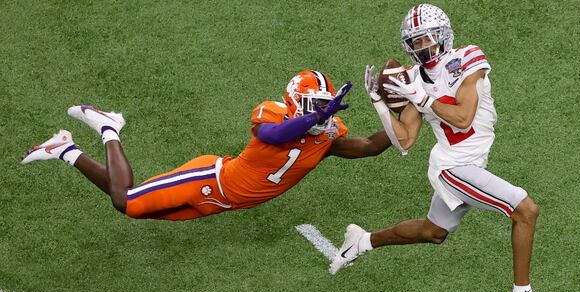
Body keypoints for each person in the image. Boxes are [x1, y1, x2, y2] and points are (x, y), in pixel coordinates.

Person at [329, 4, 556, 292]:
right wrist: (381, 105)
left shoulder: (467, 58)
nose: (423, 47)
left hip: (471, 159)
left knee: (433, 232)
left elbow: (463, 118)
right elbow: (405, 140)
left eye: (427, 38)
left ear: (444, 35)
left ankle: (362, 240)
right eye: (415, 42)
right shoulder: (410, 79)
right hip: (452, 167)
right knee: (525, 209)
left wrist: (420, 98)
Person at [21, 70, 392, 221]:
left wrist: (411, 108)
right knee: (127, 202)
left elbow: (374, 145)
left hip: (224, 201)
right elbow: (271, 137)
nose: (323, 114)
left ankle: (64, 148)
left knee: (132, 204)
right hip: (211, 179)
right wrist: (311, 119)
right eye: (315, 107)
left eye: (325, 107)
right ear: (297, 105)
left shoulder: (328, 136)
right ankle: (107, 127)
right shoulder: (273, 114)